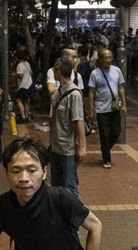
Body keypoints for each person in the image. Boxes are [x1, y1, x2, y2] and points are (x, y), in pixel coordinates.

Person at [49, 57, 86, 195]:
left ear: (58, 71)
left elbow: (79, 121)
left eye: (54, 69)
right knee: (56, 185)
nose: (53, 71)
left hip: (68, 150)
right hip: (55, 147)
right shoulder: (57, 93)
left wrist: (81, 148)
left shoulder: (74, 94)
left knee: (70, 186)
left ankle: (73, 214)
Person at [88, 48, 126, 169]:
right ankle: (106, 158)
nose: (109, 60)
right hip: (101, 109)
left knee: (116, 131)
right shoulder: (95, 73)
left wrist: (124, 104)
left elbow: (121, 87)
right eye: (106, 58)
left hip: (115, 107)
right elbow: (91, 92)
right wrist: (91, 108)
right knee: (104, 134)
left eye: (110, 57)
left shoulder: (117, 71)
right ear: (100, 59)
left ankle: (105, 148)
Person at [13, 51, 34, 124]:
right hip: (29, 84)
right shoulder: (27, 63)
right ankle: (27, 116)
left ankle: (23, 117)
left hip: (23, 85)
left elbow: (20, 75)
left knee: (18, 100)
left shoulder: (19, 65)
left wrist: (14, 75)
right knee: (27, 101)